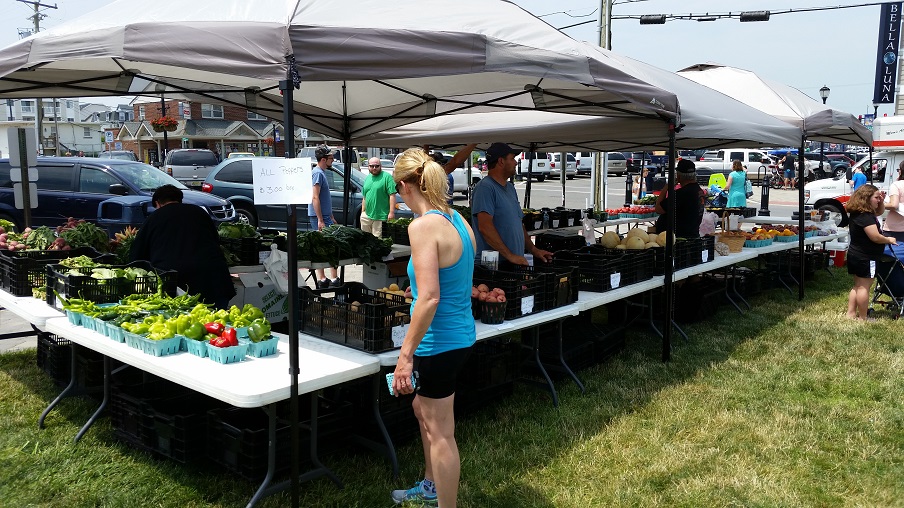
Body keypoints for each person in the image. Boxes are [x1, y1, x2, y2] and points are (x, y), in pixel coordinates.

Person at [389, 148, 476, 508]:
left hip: (438, 343)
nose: (396, 195)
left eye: (396, 188)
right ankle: (429, 484)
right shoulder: (457, 218)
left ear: (406, 186)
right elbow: (453, 275)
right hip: (459, 336)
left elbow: (429, 299)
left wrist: (404, 357)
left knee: (442, 433)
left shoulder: (422, 226)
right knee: (422, 411)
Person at [130, 184, 235, 309]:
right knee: (219, 322)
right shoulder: (199, 212)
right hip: (214, 280)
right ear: (180, 200)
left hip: (178, 283)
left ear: (158, 203)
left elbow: (137, 256)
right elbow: (215, 241)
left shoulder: (153, 218)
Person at [470, 142, 553, 267]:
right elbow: (485, 227)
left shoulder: (510, 187)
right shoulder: (485, 188)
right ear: (501, 161)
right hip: (493, 266)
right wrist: (510, 256)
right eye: (512, 158)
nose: (515, 162)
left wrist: (534, 250)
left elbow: (519, 223)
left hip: (511, 264)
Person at [846, 184, 897, 320]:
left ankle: (850, 314)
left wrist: (881, 199)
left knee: (857, 286)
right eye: (876, 198)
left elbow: (879, 212)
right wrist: (888, 239)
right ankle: (863, 318)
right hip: (866, 257)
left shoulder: (858, 212)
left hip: (855, 254)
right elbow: (875, 237)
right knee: (864, 288)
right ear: (866, 198)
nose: (878, 200)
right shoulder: (866, 217)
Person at [309, 145, 339, 288]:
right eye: (331, 158)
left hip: (325, 216)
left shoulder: (320, 172)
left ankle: (326, 279)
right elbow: (315, 197)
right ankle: (329, 279)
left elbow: (324, 197)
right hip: (319, 218)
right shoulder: (318, 173)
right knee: (328, 246)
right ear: (323, 159)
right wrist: (320, 219)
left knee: (324, 246)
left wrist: (330, 215)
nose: (333, 160)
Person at [654, 158, 705, 238]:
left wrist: (666, 188)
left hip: (679, 239)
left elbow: (658, 209)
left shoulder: (682, 193)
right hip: (691, 235)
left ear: (679, 176)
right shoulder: (698, 190)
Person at [360, 156, 397, 237]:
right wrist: (362, 212)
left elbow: (392, 195)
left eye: (377, 166)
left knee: (377, 242)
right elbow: (364, 197)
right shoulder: (368, 178)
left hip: (380, 216)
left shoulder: (387, 177)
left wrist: (391, 212)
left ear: (381, 166)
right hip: (366, 216)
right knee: (366, 241)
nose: (374, 168)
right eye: (371, 166)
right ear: (368, 167)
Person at [883, 160, 904, 242]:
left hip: (894, 228)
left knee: (892, 253)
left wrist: (881, 204)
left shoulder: (897, 185)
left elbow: (894, 205)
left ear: (901, 171)